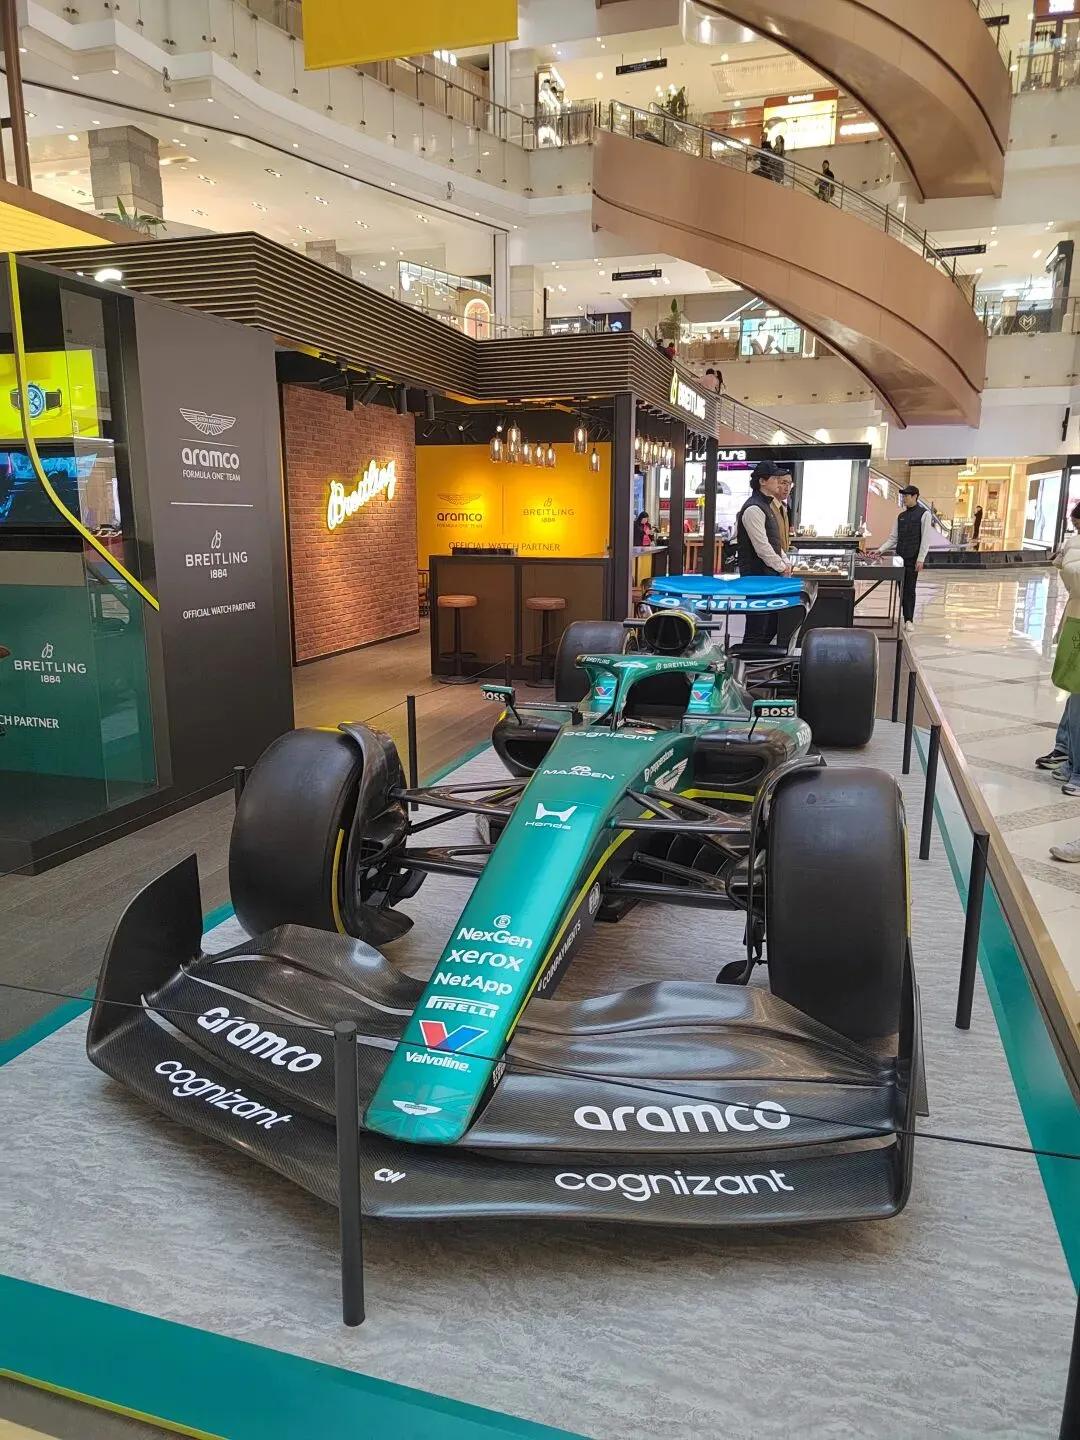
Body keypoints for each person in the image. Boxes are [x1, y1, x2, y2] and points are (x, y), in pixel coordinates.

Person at [1038, 500, 1080, 793]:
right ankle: (1068, 755)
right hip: (1076, 620)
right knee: (1074, 693)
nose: (1076, 532)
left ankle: (1076, 766)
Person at [736, 460, 792, 645]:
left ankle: (760, 658)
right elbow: (762, 547)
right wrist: (781, 566)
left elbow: (774, 542)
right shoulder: (753, 508)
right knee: (757, 624)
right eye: (775, 479)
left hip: (768, 575)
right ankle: (747, 659)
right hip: (756, 576)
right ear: (762, 481)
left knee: (770, 624)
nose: (779, 483)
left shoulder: (767, 506)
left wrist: (784, 561)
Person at [876, 484, 932, 631]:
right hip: (899, 558)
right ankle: (905, 616)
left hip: (913, 558)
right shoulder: (901, 516)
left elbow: (925, 539)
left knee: (910, 589)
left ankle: (909, 620)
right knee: (901, 589)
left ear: (915, 497)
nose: (904, 498)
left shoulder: (924, 515)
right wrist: (880, 550)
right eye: (904, 496)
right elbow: (893, 538)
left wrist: (921, 559)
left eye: (907, 496)